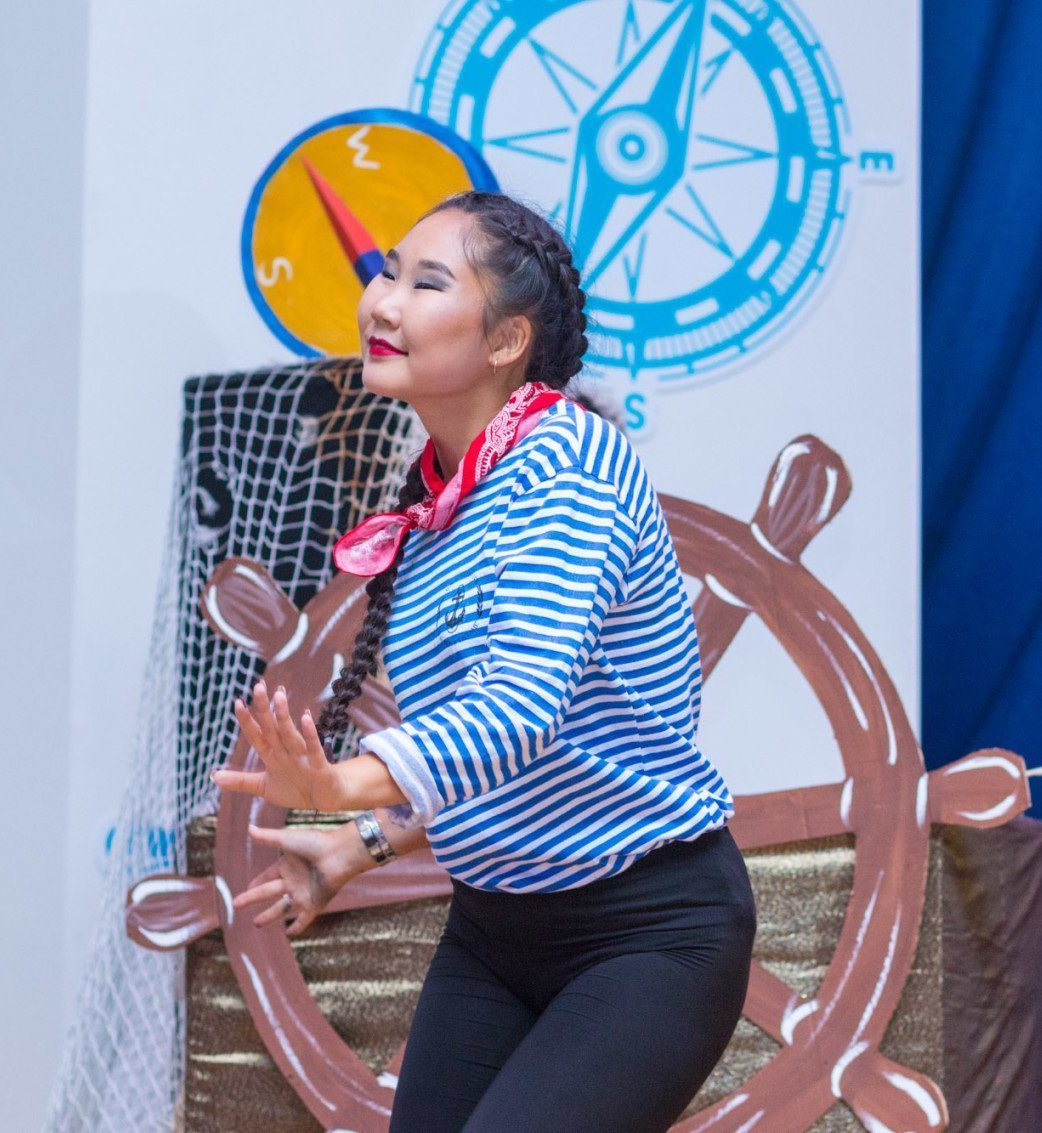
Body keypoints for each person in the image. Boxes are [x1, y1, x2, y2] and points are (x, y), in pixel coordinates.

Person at [210, 189, 756, 1133]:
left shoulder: (569, 463)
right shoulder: (442, 501)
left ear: (505, 341)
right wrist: (359, 843)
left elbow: (520, 709)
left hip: (648, 933)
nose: (382, 302)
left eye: (425, 284)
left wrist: (339, 784)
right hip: (495, 933)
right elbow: (501, 757)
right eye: (388, 272)